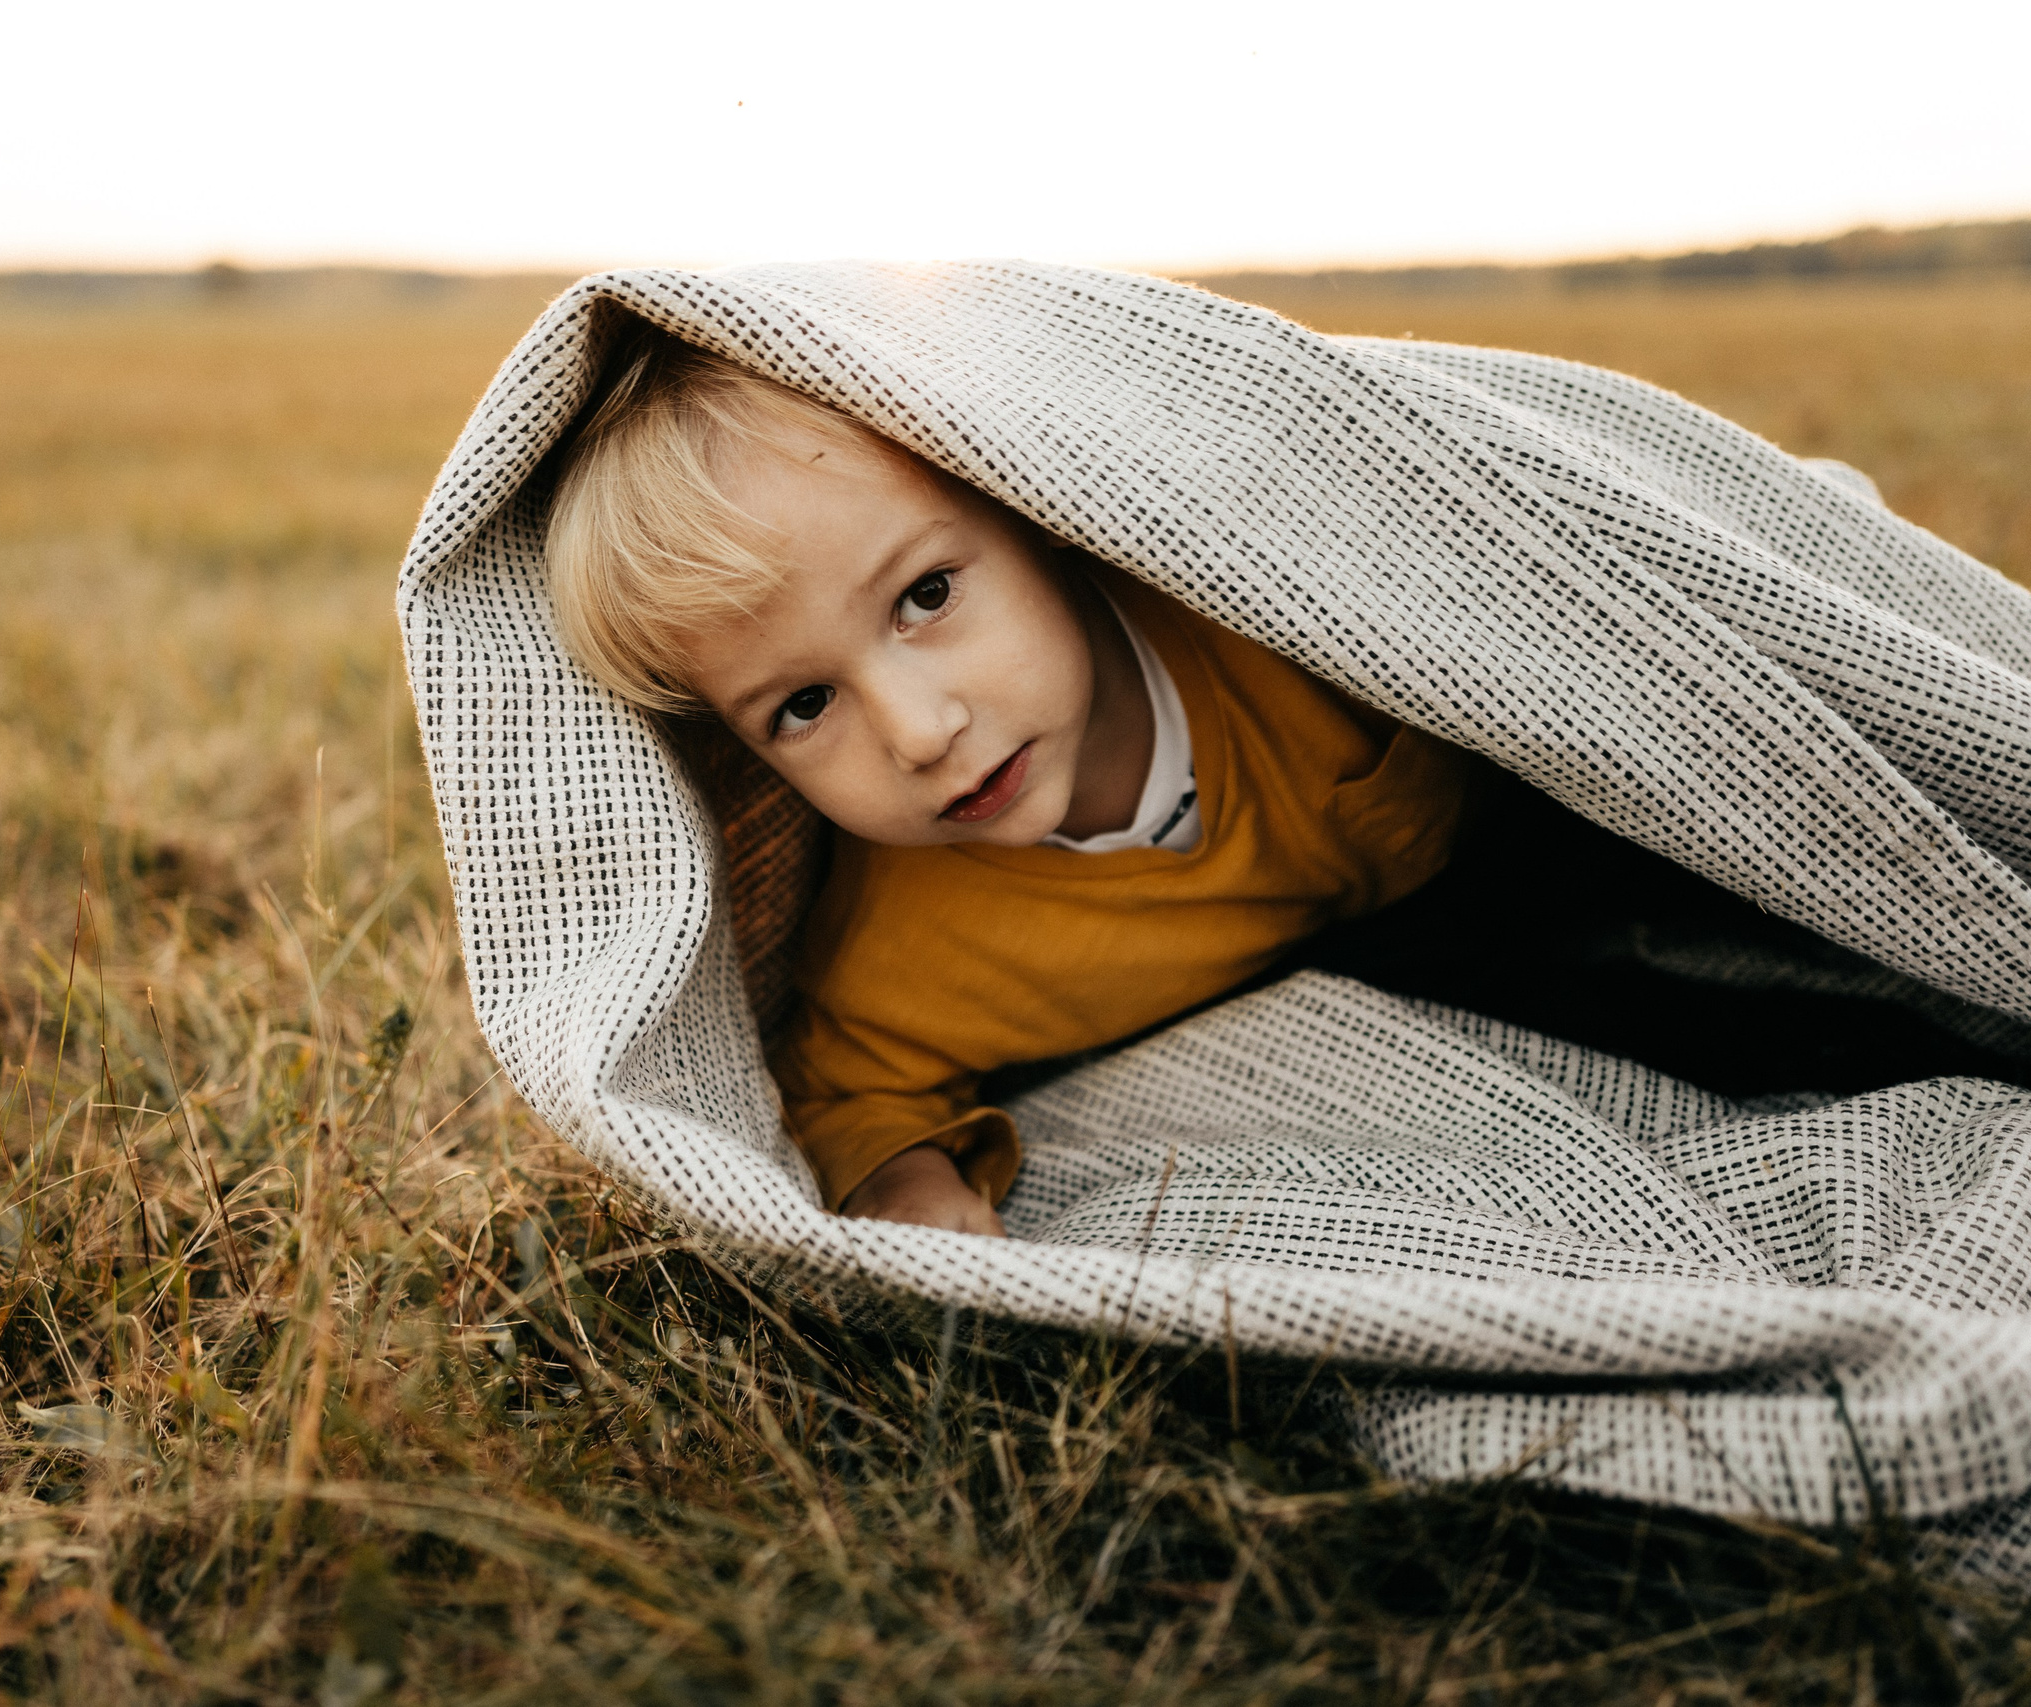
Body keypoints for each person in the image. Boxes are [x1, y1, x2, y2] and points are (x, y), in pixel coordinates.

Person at [542, 322, 2028, 1237]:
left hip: (1553, 829)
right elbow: (848, 1088)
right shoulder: (908, 942)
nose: (917, 728)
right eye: (801, 704)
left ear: (1035, 514)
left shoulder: (1274, 624)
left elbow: (1567, 610)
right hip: (1439, 967)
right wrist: (904, 1186)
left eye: (926, 595)